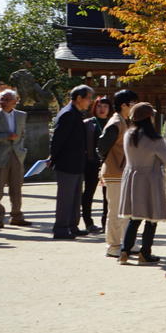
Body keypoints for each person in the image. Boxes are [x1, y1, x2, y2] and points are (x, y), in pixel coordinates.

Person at [117, 103, 166, 265]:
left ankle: (124, 251)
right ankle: (145, 253)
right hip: (151, 179)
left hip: (132, 177)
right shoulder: (155, 139)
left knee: (134, 218)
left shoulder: (129, 135)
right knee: (152, 217)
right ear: (149, 117)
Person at [47, 84, 96, 240]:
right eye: (88, 98)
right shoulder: (68, 114)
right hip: (67, 163)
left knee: (75, 197)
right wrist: (52, 158)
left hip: (76, 162)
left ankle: (72, 226)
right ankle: (61, 228)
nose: (90, 102)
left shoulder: (75, 113)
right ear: (79, 98)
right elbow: (58, 139)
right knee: (66, 198)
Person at [96, 88, 138, 258]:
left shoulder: (125, 120)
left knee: (128, 211)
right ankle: (113, 245)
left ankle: (128, 243)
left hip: (124, 172)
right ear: (124, 105)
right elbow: (101, 146)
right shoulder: (116, 122)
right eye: (133, 103)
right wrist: (106, 165)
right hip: (115, 172)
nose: (135, 106)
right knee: (115, 211)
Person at [0, 89, 29, 229]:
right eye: (2, 99)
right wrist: (6, 136)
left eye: (8, 99)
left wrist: (21, 149)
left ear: (15, 101)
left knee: (17, 188)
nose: (4, 102)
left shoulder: (22, 115)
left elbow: (22, 135)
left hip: (17, 155)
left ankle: (17, 216)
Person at [80, 96, 111, 234]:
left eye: (105, 106)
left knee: (108, 195)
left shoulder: (113, 123)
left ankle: (106, 222)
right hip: (91, 162)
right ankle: (88, 222)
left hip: (109, 163)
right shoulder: (88, 123)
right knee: (89, 192)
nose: (102, 109)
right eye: (99, 106)